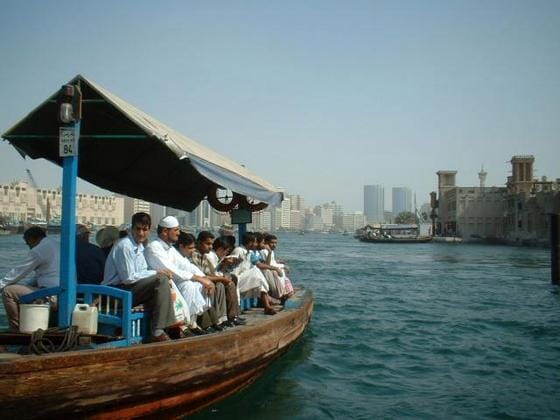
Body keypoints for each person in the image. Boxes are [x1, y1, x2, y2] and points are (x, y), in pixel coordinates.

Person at [102, 212, 177, 342]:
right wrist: (156, 272)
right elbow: (128, 278)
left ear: (149, 230)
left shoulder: (140, 247)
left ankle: (166, 328)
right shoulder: (124, 246)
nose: (141, 233)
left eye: (145, 230)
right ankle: (158, 331)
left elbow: (142, 273)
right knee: (161, 280)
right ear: (132, 228)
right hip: (115, 293)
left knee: (164, 283)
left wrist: (157, 272)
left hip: (127, 290)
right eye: (138, 229)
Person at [144, 217, 213, 335]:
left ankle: (191, 323)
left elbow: (186, 265)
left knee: (197, 285)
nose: (179, 233)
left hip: (171, 282)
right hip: (158, 286)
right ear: (165, 231)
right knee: (188, 285)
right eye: (176, 230)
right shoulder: (154, 247)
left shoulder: (170, 248)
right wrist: (198, 278)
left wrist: (205, 279)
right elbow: (172, 270)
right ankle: (181, 327)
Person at [0, 226, 59, 331]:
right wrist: (26, 285)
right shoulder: (55, 244)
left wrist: (1, 285)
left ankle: (16, 330)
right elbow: (43, 275)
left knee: (8, 291)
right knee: (21, 290)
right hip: (62, 292)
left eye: (28, 244)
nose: (29, 247)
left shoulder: (39, 250)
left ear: (32, 239)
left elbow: (19, 272)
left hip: (52, 294)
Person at [192, 231, 244, 328]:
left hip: (206, 279)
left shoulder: (204, 256)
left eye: (211, 244)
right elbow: (202, 275)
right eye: (208, 244)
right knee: (222, 285)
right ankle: (222, 318)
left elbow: (208, 273)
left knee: (229, 281)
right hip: (197, 282)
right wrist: (221, 278)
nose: (210, 247)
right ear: (199, 243)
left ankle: (229, 316)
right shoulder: (198, 256)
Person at [229, 232, 277, 315]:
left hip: (243, 278)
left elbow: (259, 263)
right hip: (236, 278)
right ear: (250, 242)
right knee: (256, 271)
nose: (256, 244)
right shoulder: (239, 250)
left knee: (259, 281)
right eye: (255, 242)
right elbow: (231, 263)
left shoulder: (250, 253)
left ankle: (267, 306)